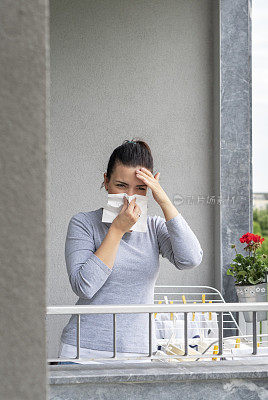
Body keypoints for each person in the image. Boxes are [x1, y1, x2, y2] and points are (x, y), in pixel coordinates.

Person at [57, 138, 203, 365]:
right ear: (106, 182)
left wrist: (163, 200)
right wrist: (116, 230)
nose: (129, 197)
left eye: (141, 189)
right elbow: (85, 286)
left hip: (138, 353)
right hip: (82, 352)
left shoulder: (154, 228)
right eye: (121, 185)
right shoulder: (83, 223)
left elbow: (190, 259)